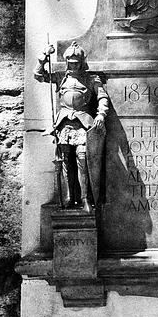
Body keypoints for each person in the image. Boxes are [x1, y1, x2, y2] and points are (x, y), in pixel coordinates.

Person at [34, 41, 109, 211]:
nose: (72, 66)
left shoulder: (91, 79)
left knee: (83, 160)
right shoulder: (61, 78)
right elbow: (38, 75)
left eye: (75, 63)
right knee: (66, 161)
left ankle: (85, 198)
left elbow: (102, 98)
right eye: (70, 63)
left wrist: (101, 114)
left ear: (82, 62)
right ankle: (69, 196)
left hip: (83, 124)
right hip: (63, 125)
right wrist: (43, 58)